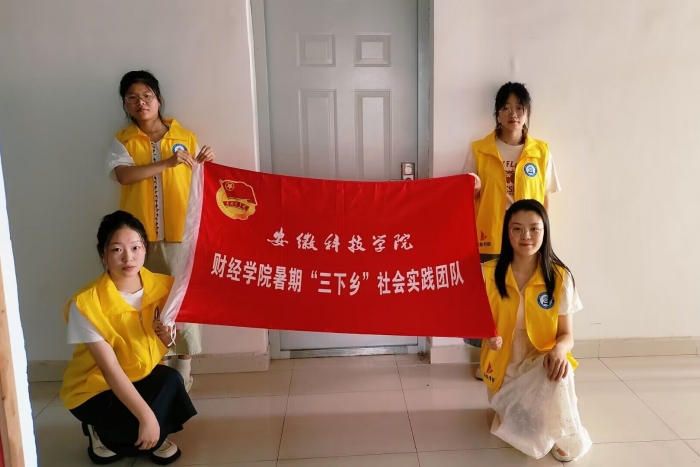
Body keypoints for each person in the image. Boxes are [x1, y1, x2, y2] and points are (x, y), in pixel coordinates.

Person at [105, 70, 216, 392]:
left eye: (147, 96)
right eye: (132, 97)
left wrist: (205, 163)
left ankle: (183, 371)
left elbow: (200, 182)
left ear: (158, 99)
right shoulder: (123, 140)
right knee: (146, 302)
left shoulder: (184, 136)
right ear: (125, 103)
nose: (141, 103)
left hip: (181, 235)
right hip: (137, 241)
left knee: (181, 300)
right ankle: (156, 369)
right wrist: (167, 163)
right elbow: (123, 176)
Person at [60, 211, 197, 464]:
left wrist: (167, 338)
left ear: (145, 249)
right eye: (117, 250)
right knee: (132, 434)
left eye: (135, 247)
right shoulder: (86, 304)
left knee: (171, 381)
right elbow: (110, 369)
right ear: (103, 255)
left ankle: (153, 435)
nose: (128, 257)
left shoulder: (165, 288)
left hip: (139, 374)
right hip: (95, 388)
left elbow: (166, 344)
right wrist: (147, 417)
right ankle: (98, 430)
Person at [463, 82, 561, 380]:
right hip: (490, 235)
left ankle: (521, 360)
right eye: (506, 107)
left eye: (519, 108)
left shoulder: (540, 152)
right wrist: (474, 188)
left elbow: (544, 198)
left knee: (522, 299)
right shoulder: (480, 149)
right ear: (497, 113)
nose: (513, 114)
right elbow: (466, 193)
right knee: (491, 300)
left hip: (527, 239)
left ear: (527, 113)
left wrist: (543, 235)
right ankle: (488, 362)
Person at [480, 200, 591, 462]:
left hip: (541, 359)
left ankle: (566, 437)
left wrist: (559, 350)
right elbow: (476, 322)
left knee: (560, 369)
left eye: (534, 229)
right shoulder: (488, 273)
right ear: (507, 232)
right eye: (517, 229)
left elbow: (567, 335)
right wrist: (487, 335)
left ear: (545, 231)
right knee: (524, 429)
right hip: (504, 363)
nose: (526, 236)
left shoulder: (560, 277)